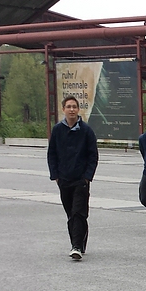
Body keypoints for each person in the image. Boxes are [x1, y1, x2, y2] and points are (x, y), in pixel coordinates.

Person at [47, 95, 98, 260]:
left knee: (78, 212)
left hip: (80, 180)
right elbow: (52, 154)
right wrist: (55, 176)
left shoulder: (86, 131)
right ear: (63, 109)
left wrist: (87, 177)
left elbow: (93, 156)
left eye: (74, 107)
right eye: (68, 107)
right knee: (71, 214)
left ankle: (75, 246)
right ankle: (79, 242)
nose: (71, 110)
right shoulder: (57, 130)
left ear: (78, 109)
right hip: (64, 179)